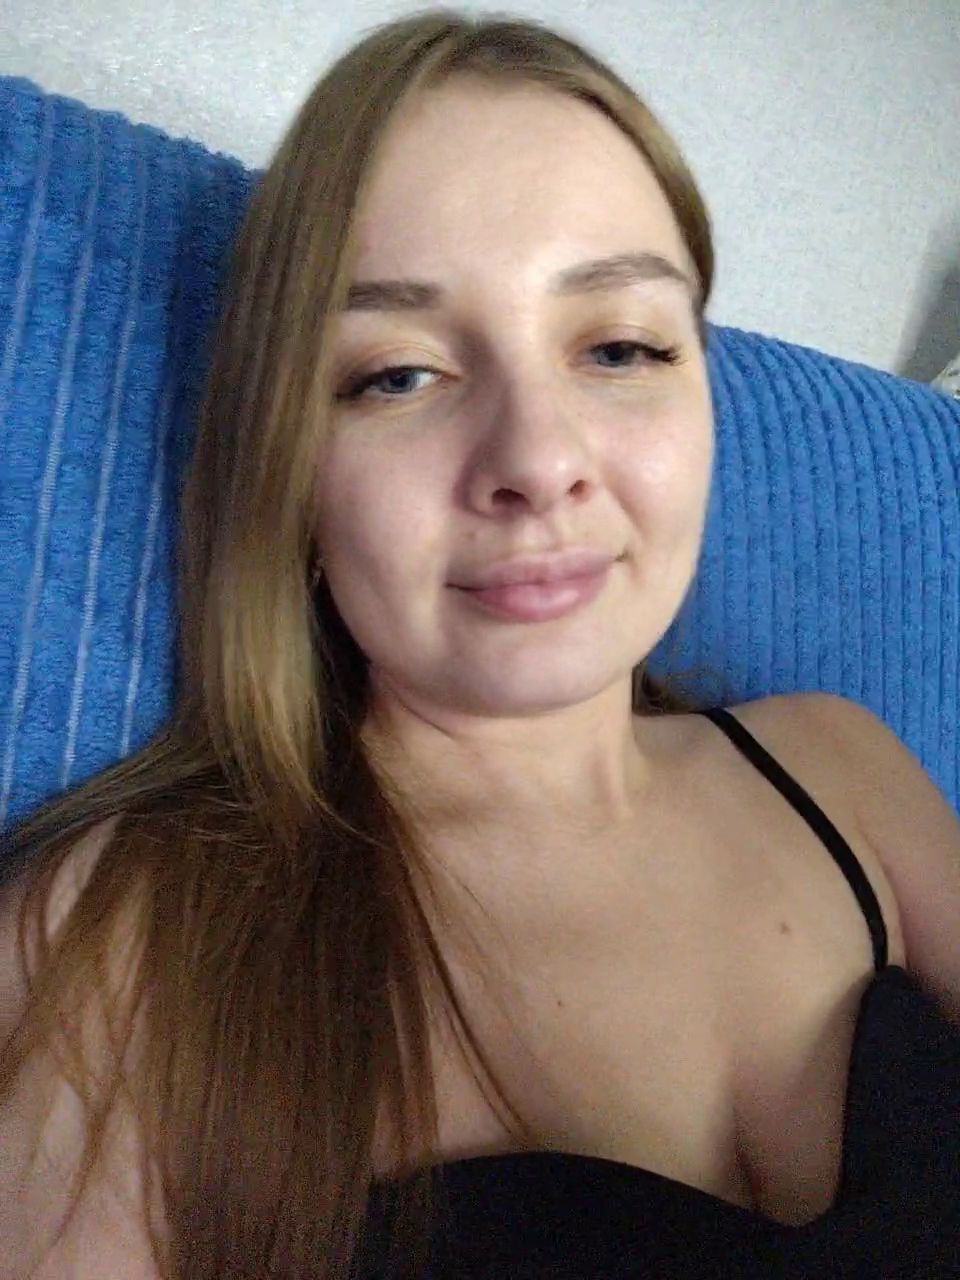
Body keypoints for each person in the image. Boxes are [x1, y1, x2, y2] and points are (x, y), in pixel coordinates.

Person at [1, 9, 959, 1279]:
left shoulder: (844, 762)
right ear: (290, 471)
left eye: (620, 346)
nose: (539, 460)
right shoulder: (123, 942)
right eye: (397, 374)